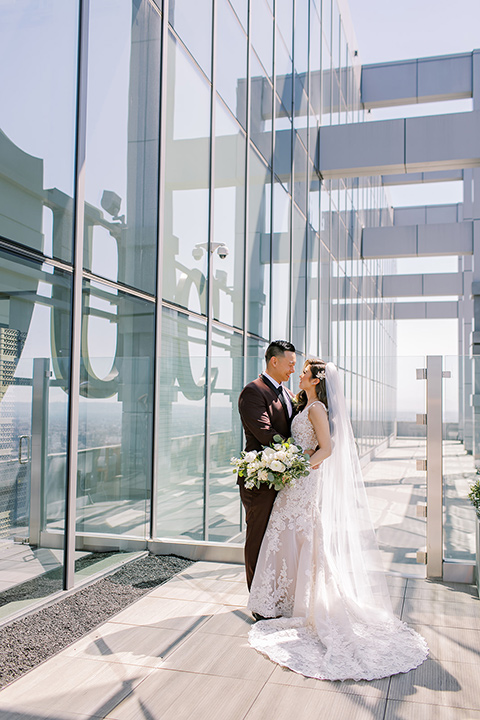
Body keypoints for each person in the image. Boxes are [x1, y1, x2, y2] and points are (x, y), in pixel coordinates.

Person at [247, 359, 428, 681]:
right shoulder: (305, 405)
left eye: (304, 372)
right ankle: (286, 599)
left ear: (317, 380)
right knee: (288, 535)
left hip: (302, 482)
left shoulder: (316, 409)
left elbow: (327, 449)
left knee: (297, 534)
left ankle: (296, 601)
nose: (299, 374)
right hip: (295, 481)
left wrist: (298, 470)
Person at [237, 340, 296, 597]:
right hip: (260, 481)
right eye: (290, 364)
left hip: (281, 478)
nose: (293, 370)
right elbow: (266, 434)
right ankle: (258, 600)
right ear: (274, 361)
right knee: (258, 540)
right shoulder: (253, 391)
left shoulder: (288, 393)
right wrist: (299, 453)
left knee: (276, 541)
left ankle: (274, 596)